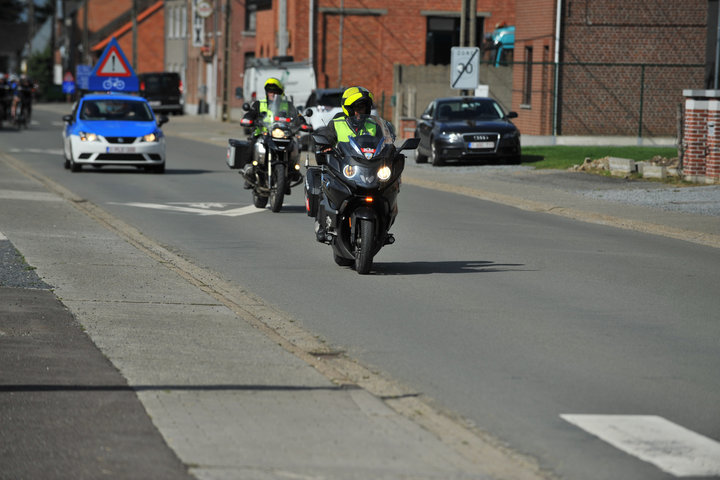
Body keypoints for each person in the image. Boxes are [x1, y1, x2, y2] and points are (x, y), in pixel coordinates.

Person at [240, 77, 294, 189]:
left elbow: (296, 116)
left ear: (280, 92)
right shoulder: (260, 104)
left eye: (275, 91)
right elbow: (251, 113)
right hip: (263, 133)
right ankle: (249, 168)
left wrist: (302, 122)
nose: (272, 94)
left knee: (294, 145)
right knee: (253, 143)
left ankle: (291, 171)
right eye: (270, 91)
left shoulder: (287, 105)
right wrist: (247, 118)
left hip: (280, 134)